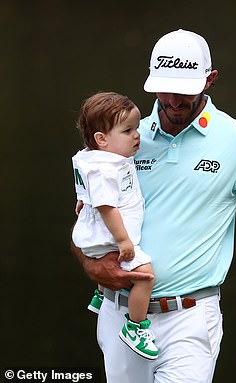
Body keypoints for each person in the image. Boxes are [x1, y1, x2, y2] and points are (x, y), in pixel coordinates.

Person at [71, 29, 236, 382]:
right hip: (121, 315)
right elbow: (86, 223)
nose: (173, 100)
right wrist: (89, 264)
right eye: (165, 88)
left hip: (190, 318)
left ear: (210, 80)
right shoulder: (123, 139)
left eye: (185, 91)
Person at [72, 91, 158, 360]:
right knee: (145, 276)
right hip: (109, 239)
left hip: (93, 235)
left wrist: (82, 199)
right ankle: (135, 326)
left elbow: (86, 190)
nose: (136, 135)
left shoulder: (94, 157)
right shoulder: (106, 169)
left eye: (137, 127)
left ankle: (100, 294)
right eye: (128, 130)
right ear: (102, 139)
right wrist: (124, 241)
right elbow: (107, 207)